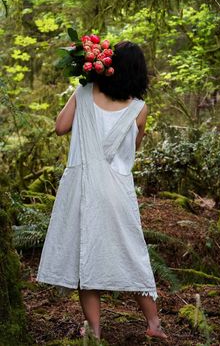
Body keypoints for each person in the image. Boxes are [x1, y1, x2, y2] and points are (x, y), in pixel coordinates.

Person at [36, 40, 167, 341]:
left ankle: (94, 332)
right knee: (131, 253)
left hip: (82, 188)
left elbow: (60, 127)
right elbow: (132, 149)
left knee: (87, 257)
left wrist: (81, 91)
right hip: (117, 191)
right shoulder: (140, 109)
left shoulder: (84, 93)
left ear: (109, 64)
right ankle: (154, 322)